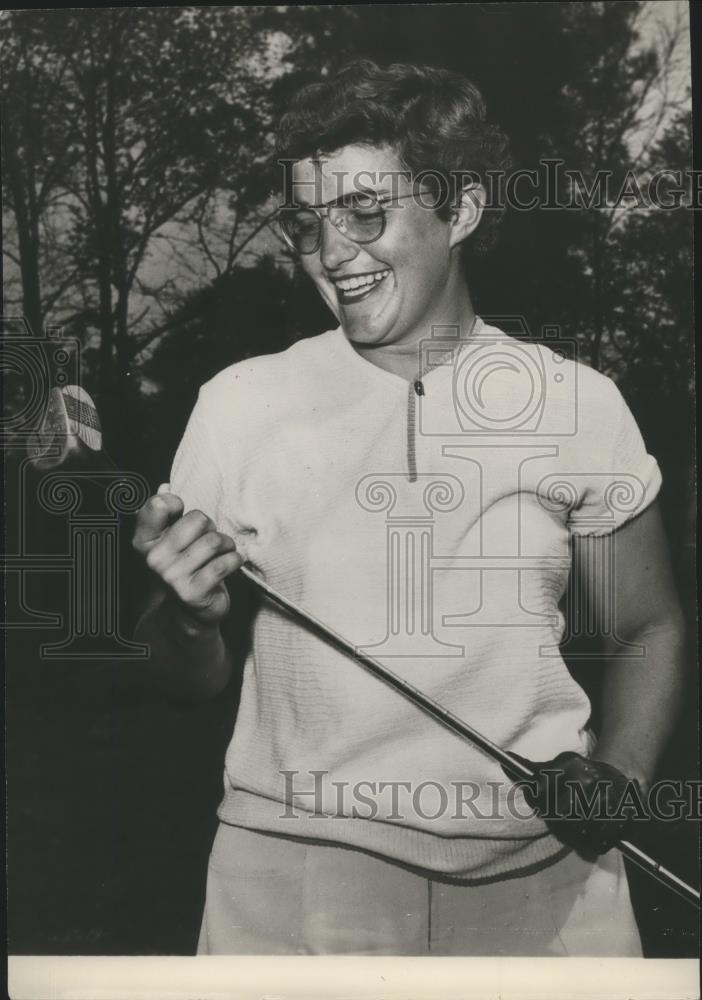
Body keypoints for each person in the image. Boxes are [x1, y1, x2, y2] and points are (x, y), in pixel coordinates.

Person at [132, 61, 686, 956]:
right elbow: (180, 674)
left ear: (459, 210)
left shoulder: (578, 403)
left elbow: (647, 626)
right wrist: (191, 620)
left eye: (365, 213)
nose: (332, 252)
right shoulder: (240, 403)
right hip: (291, 879)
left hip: (548, 886)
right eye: (310, 224)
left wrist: (618, 778)